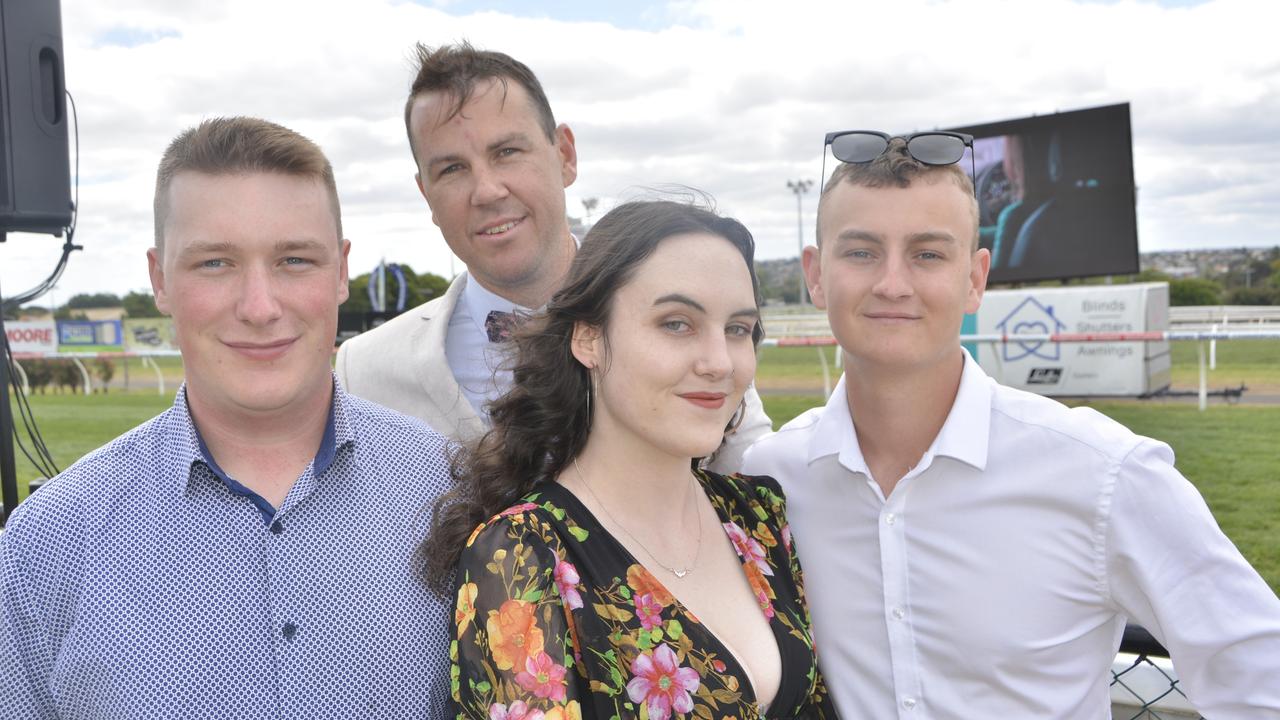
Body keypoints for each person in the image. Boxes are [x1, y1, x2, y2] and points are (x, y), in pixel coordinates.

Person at [742, 135, 1280, 719]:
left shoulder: (1106, 474)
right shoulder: (769, 477)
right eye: (862, 252)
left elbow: (1259, 681)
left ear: (976, 278)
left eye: (927, 254)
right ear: (816, 276)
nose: (892, 283)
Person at [0, 117, 454, 718]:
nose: (260, 307)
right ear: (160, 279)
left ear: (342, 271)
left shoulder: (452, 493)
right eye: (215, 263)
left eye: (294, 259)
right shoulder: (45, 546)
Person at [422, 201, 835, 719]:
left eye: (737, 329)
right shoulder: (522, 557)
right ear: (588, 337)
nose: (719, 363)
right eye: (677, 324)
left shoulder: (757, 515)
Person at [334, 43, 769, 472]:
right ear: (427, 194)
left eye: (507, 152)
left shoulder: (682, 323)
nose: (487, 191)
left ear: (565, 155)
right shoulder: (366, 370)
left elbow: (759, 480)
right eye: (451, 169)